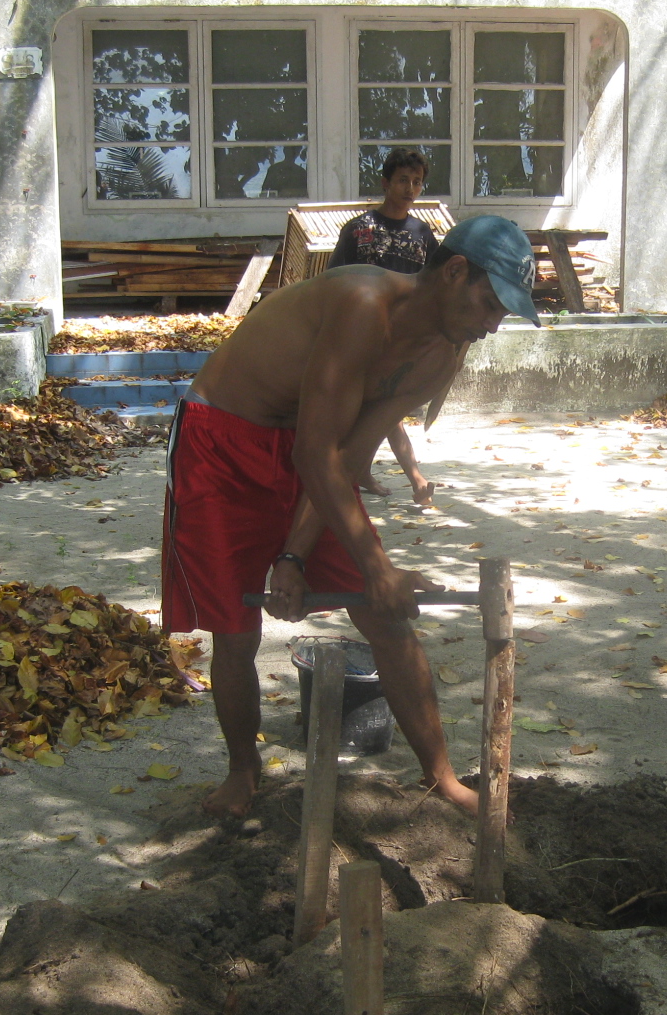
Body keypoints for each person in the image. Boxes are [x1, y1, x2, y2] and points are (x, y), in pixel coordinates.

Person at [162, 215, 541, 821]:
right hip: (223, 437)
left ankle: (441, 776)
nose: (493, 325)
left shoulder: (441, 358)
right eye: (491, 304)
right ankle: (243, 770)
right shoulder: (364, 303)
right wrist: (375, 564)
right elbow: (317, 454)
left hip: (310, 449)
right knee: (236, 628)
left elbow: (345, 458)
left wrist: (297, 556)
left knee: (384, 615)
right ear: (453, 272)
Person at [328, 148, 440, 506]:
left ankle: (374, 473)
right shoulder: (360, 230)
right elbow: (335, 280)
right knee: (378, 405)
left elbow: (437, 287)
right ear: (386, 183)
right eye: (403, 180)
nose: (410, 188)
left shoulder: (423, 235)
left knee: (385, 404)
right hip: (360, 333)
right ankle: (409, 478)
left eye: (417, 182)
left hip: (403, 338)